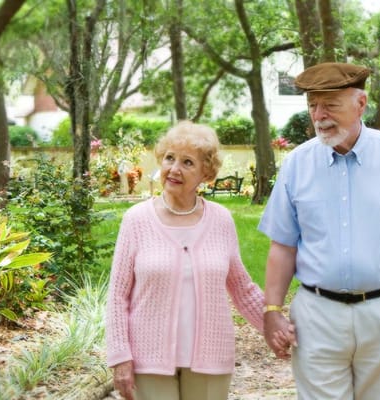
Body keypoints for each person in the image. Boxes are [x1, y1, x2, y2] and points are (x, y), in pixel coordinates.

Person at [259, 62, 380, 399]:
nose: (319, 115)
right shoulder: (297, 164)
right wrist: (272, 310)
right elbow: (283, 245)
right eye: (312, 105)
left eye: (330, 105)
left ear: (360, 104)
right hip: (317, 316)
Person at [105, 121, 268, 400]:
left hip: (210, 358)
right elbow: (118, 296)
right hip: (149, 358)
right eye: (170, 158)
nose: (174, 169)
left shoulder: (220, 220)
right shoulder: (137, 220)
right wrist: (120, 356)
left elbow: (242, 288)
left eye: (187, 162)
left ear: (206, 172)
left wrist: (276, 325)